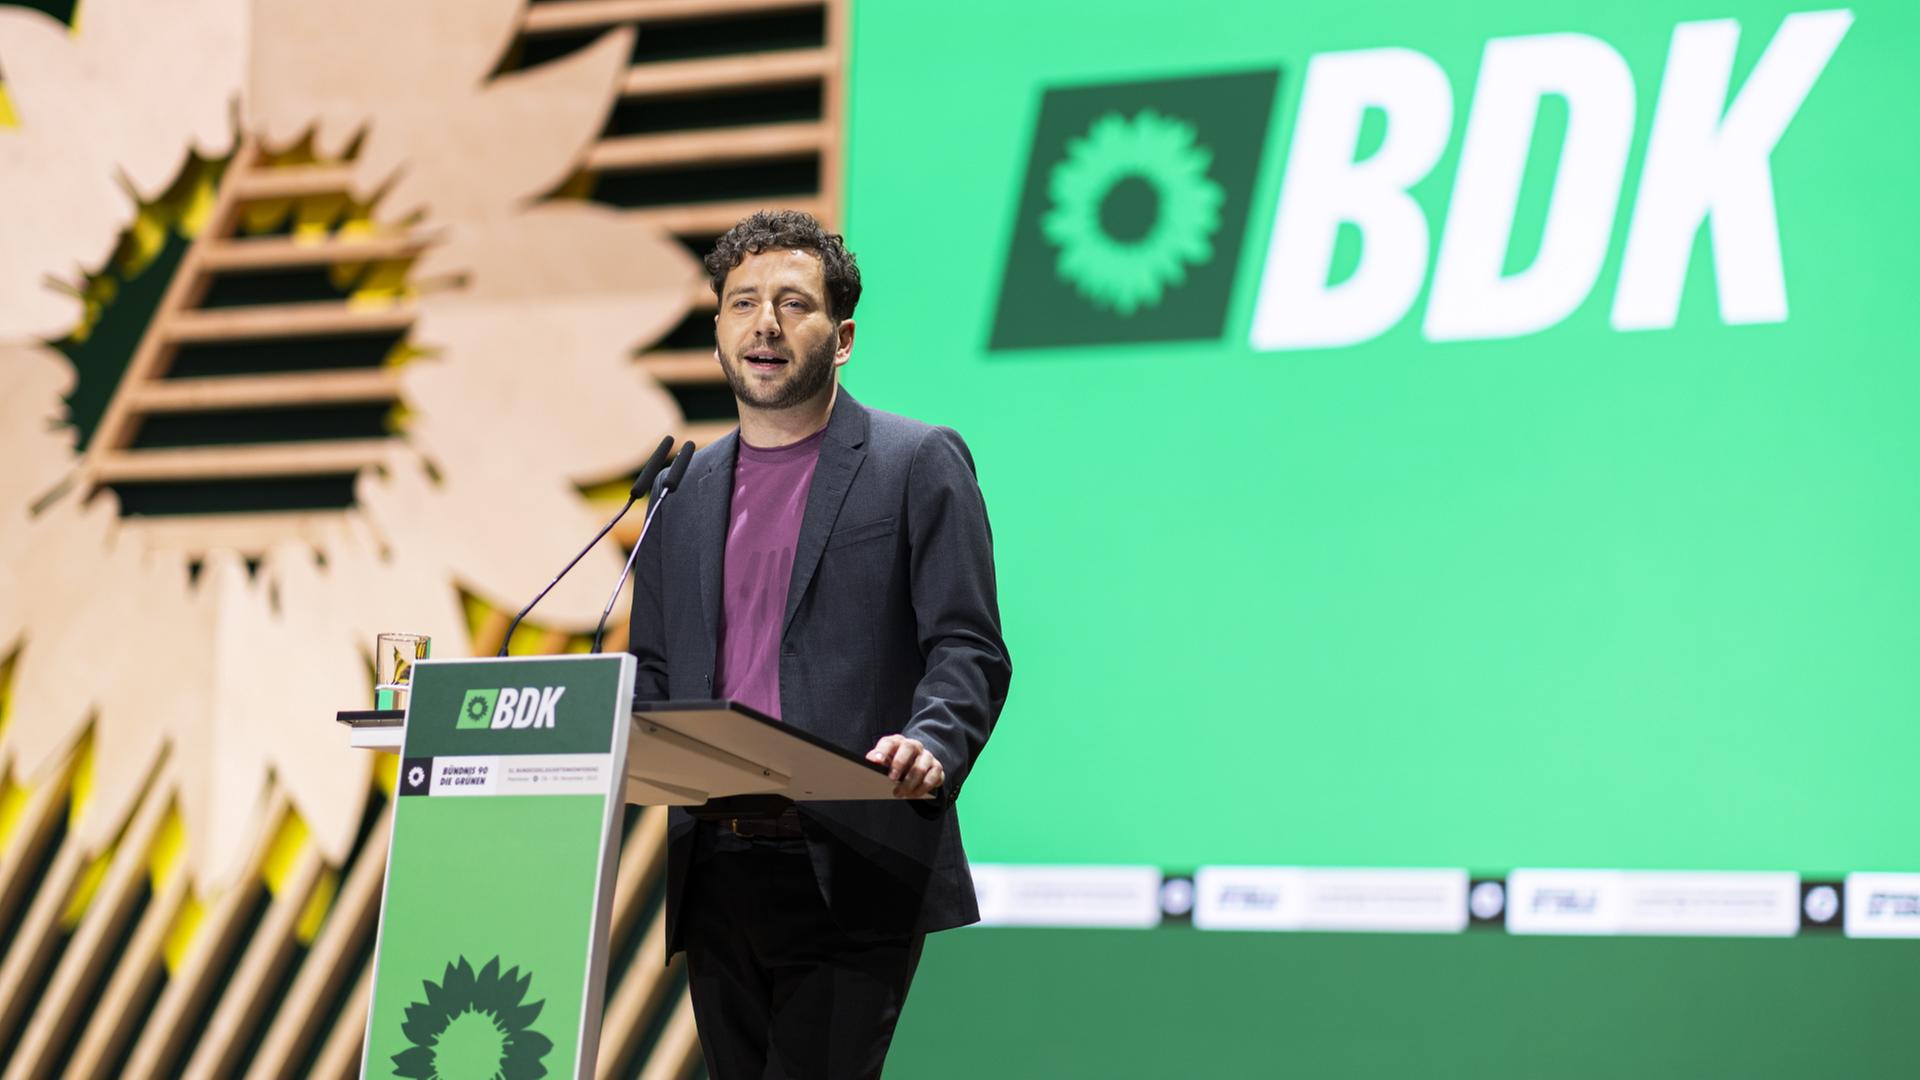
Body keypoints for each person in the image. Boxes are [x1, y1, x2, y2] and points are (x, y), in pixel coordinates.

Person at [626, 209, 1012, 1078]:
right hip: (714, 863)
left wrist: (934, 739)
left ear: (840, 338)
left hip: (848, 858)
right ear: (718, 329)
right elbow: (654, 672)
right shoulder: (679, 493)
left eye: (793, 304)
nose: (765, 323)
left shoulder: (916, 462)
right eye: (743, 303)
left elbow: (968, 647)